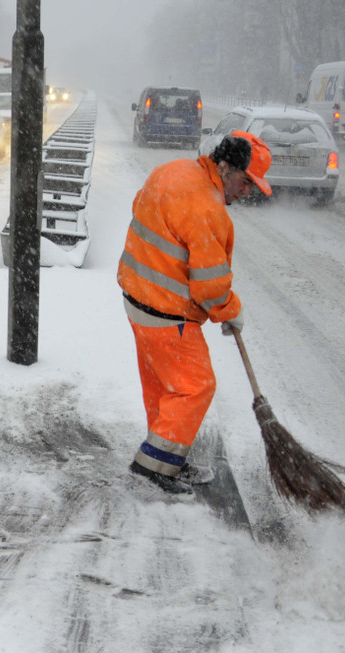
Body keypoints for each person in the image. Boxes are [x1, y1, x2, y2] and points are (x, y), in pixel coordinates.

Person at [117, 130, 272, 495]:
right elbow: (210, 287)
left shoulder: (174, 171)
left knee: (165, 387)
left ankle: (166, 454)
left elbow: (147, 214)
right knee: (195, 387)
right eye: (246, 182)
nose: (247, 192)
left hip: (138, 301)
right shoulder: (207, 209)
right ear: (224, 166)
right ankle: (152, 467)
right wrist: (230, 311)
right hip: (169, 316)